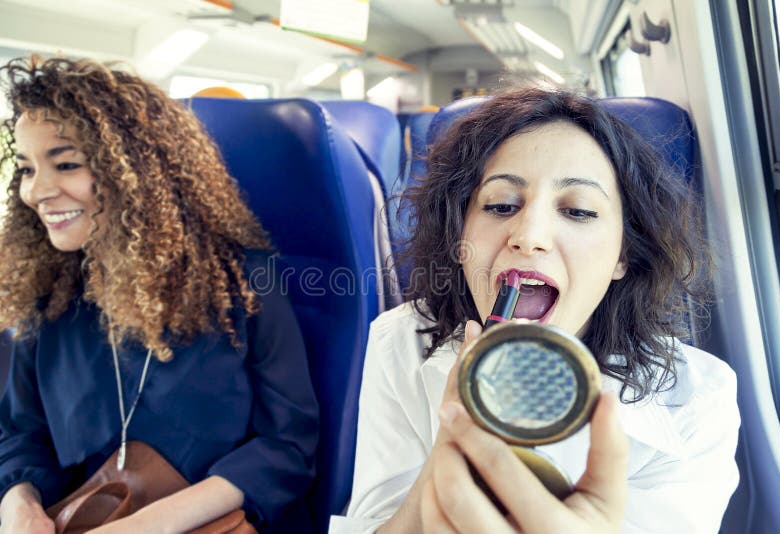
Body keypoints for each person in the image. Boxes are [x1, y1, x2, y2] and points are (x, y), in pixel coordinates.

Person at [330, 87, 740, 533]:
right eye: (501, 205)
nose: (529, 235)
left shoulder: (699, 401)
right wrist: (449, 454)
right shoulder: (399, 342)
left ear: (622, 255)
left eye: (579, 211)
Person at [0, 56, 319, 532]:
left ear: (136, 172)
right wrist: (19, 507)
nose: (36, 190)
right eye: (26, 169)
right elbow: (22, 434)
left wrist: (153, 525)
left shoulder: (243, 280)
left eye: (65, 164)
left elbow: (288, 445)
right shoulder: (50, 296)